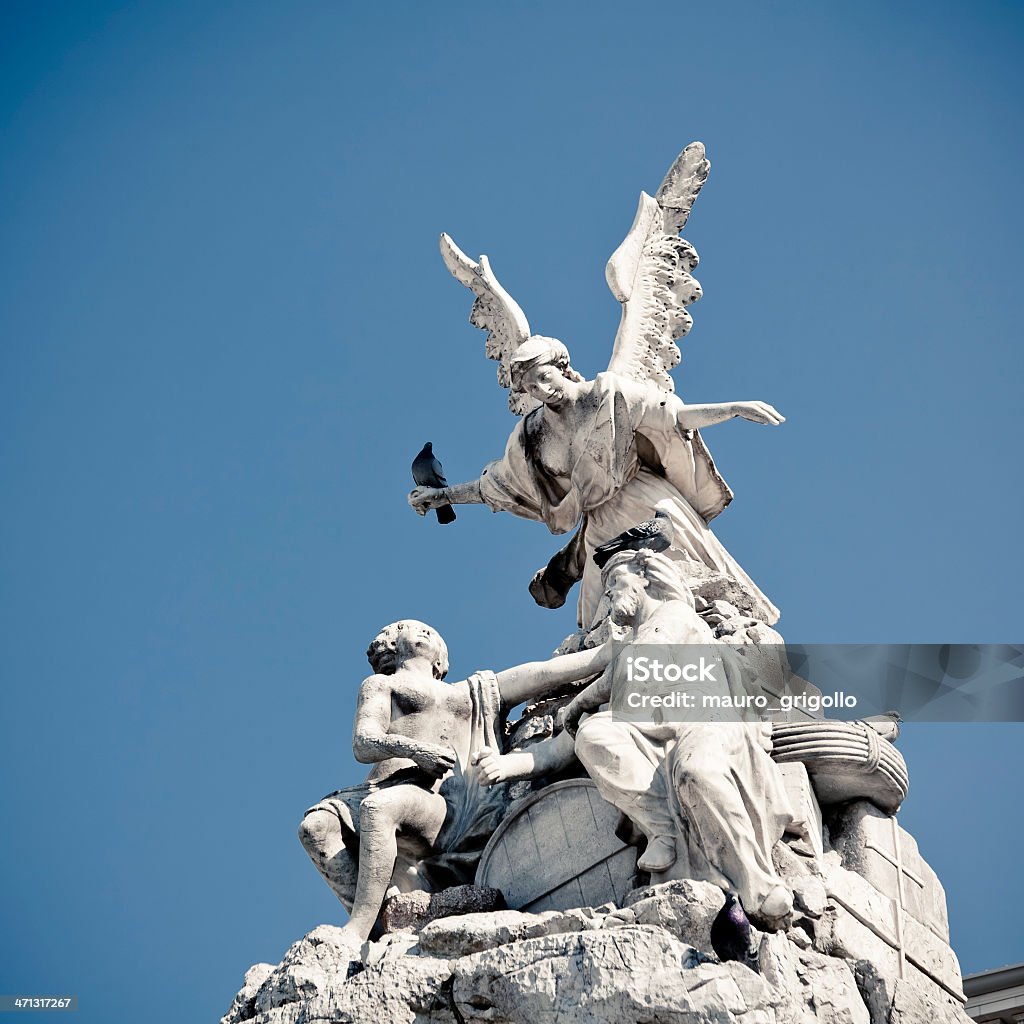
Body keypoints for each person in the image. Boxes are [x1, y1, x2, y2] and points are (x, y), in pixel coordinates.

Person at [473, 550, 795, 927]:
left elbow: (636, 659)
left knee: (696, 772)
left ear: (645, 577)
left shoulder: (676, 618)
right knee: (593, 734)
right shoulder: (626, 671)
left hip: (705, 724)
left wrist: (579, 701)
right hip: (657, 730)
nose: (606, 598)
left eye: (613, 585)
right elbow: (560, 747)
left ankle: (758, 886)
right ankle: (664, 830)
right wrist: (505, 765)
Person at [409, 336, 782, 629]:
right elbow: (497, 486)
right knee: (599, 619)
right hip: (599, 524)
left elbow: (674, 417)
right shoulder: (532, 434)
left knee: (690, 592)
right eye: (531, 388)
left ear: (561, 365)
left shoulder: (609, 392)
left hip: (649, 502)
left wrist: (733, 409)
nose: (541, 390)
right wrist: (442, 496)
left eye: (544, 377)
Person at [298, 618, 613, 947]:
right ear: (389, 644)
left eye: (430, 630)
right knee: (315, 827)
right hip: (388, 785)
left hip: (442, 808)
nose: (423, 630)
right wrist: (416, 751)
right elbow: (364, 742)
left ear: (440, 659)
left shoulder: (470, 693)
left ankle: (358, 930)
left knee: (379, 810)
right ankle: (383, 922)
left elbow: (540, 674)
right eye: (404, 626)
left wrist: (607, 654)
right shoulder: (380, 686)